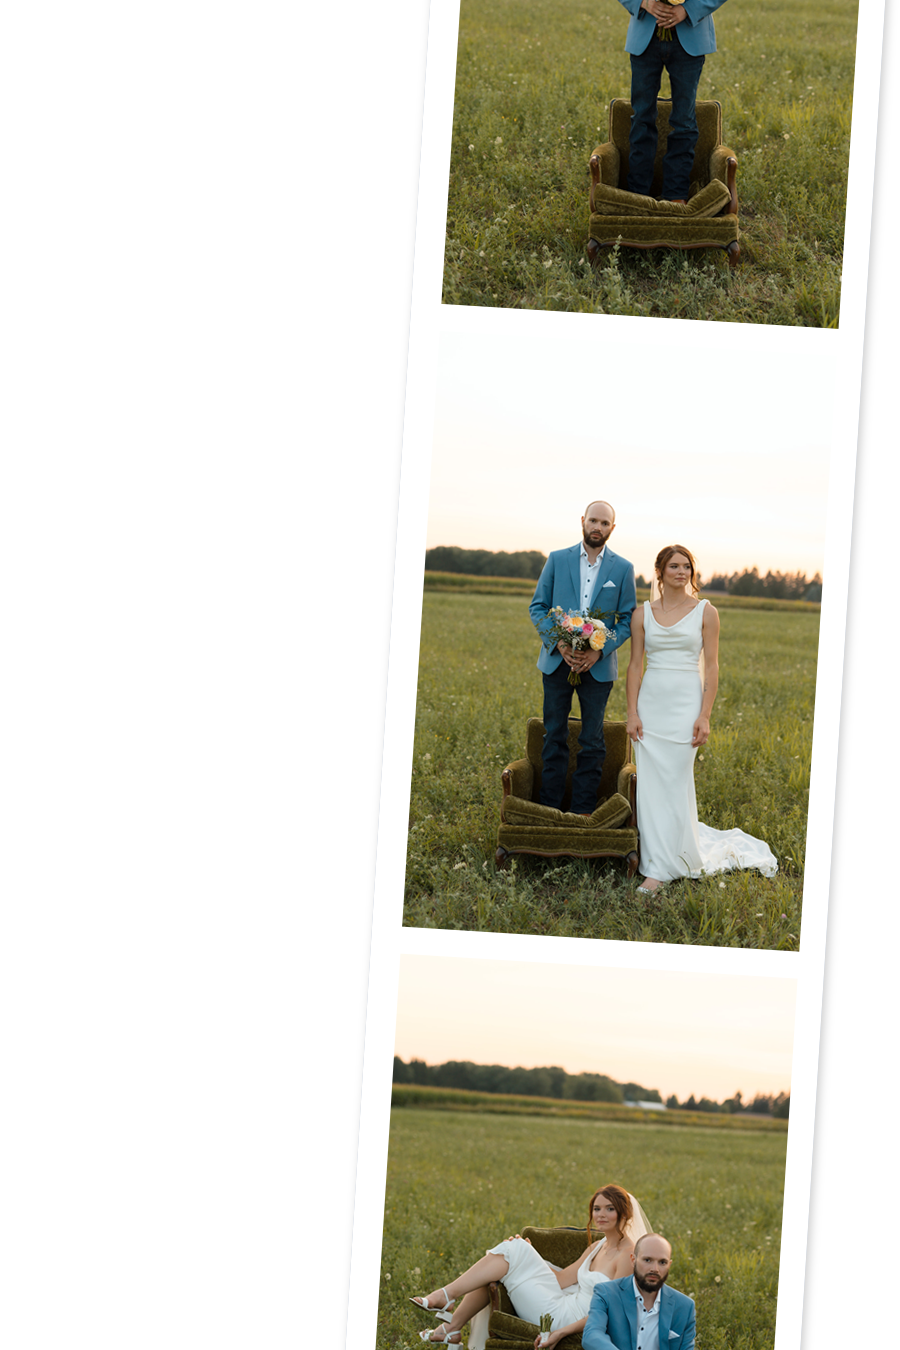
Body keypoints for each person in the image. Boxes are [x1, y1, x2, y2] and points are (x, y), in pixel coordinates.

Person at [626, 545, 777, 894]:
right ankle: (657, 857)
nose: (682, 572)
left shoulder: (706, 612)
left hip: (686, 705)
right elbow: (635, 666)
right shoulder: (642, 614)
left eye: (687, 567)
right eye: (674, 566)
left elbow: (712, 667)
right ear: (660, 572)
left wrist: (704, 715)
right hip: (651, 705)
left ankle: (662, 868)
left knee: (675, 781)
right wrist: (632, 712)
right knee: (651, 786)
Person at [409, 1185, 649, 1347]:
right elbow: (561, 1280)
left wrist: (561, 1332)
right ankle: (450, 1320)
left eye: (610, 1209)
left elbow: (609, 1312)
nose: (601, 1214)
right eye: (597, 1208)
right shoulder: (597, 1246)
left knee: (511, 1256)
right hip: (562, 1301)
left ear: (625, 1214)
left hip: (567, 1319)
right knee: (514, 1251)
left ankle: (448, 1308)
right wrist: (529, 1255)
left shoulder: (628, 1256)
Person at [529, 502, 637, 814]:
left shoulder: (623, 568)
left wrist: (599, 650)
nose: (597, 527)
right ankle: (550, 810)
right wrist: (559, 644)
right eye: (593, 520)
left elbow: (627, 619)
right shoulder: (557, 559)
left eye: (604, 523)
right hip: (556, 662)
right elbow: (538, 606)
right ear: (583, 521)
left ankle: (583, 811)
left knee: (592, 741)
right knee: (554, 735)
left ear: (612, 528)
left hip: (598, 668)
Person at [616, 1, 729, 203]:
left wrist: (687, 10)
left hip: (690, 36)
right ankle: (638, 194)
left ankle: (675, 194)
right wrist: (644, 3)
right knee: (641, 117)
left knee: (684, 120)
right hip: (645, 37)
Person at [582, 1233, 695, 1350]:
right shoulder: (606, 1293)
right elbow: (592, 1335)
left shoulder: (685, 1307)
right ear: (633, 1260)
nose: (655, 1269)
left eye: (662, 1262)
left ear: (669, 1265)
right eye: (647, 1260)